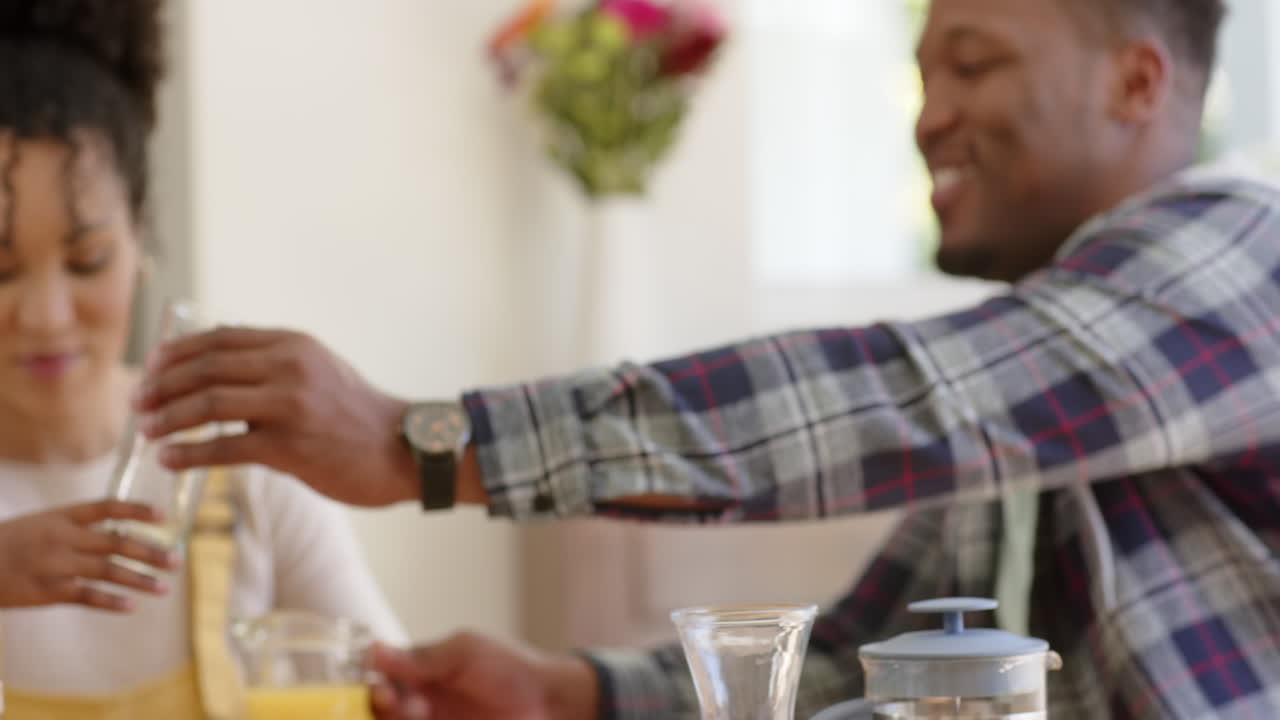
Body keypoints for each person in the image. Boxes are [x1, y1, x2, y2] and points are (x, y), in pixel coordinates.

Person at [136, 0, 1280, 717]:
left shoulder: (1244, 250)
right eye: (927, 72)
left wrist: (421, 442)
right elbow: (850, 665)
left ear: (1137, 82)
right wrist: (566, 692)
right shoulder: (1045, 401)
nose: (928, 116)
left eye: (972, 64)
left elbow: (903, 399)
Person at [0, 1, 406, 717]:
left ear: (141, 241)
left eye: (88, 261)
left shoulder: (243, 463)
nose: (46, 316)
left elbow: (390, 685)